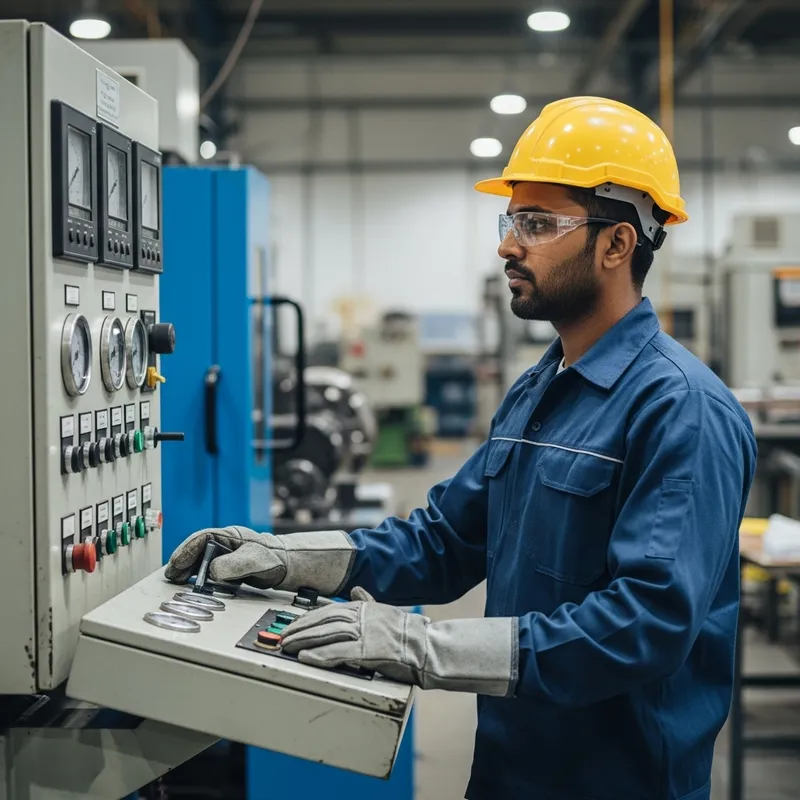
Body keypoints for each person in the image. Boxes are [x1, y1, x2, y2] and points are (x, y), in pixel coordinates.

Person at [166, 97, 757, 800]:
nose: (509, 244)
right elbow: (446, 540)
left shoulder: (680, 410)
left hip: (615, 782)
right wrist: (292, 557)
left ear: (616, 244)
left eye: (537, 223)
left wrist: (424, 649)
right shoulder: (540, 388)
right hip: (509, 770)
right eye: (510, 221)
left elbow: (645, 624)